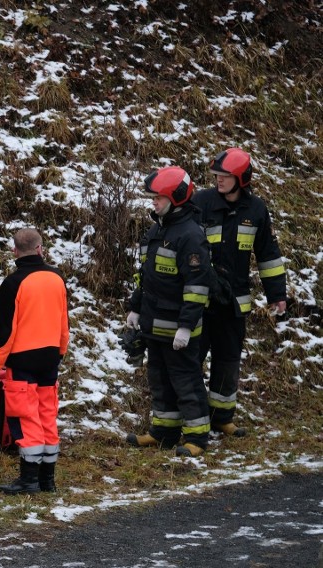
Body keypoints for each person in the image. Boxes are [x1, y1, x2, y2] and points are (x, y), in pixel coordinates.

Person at [192, 148, 287, 437]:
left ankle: (222, 417)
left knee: (228, 359)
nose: (219, 180)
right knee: (193, 359)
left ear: (242, 179)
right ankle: (193, 419)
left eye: (225, 176)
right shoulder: (201, 203)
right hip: (202, 300)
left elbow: (268, 255)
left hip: (234, 304)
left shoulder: (256, 210)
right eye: (217, 176)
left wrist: (277, 296)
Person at [126, 166, 211, 457]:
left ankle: (197, 437)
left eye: (159, 197)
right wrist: (135, 307)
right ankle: (164, 432)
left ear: (176, 198)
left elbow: (197, 286)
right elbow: (145, 275)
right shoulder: (157, 229)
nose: (153, 202)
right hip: (154, 324)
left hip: (178, 329)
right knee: (159, 378)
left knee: (186, 381)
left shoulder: (190, 236)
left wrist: (186, 326)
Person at [0, 228, 68, 494]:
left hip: (22, 359)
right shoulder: (57, 277)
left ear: (14, 251)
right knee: (47, 414)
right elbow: (63, 321)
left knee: (25, 416)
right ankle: (48, 480)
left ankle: (29, 479)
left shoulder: (13, 283)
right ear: (40, 248)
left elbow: (4, 331)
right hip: (50, 356)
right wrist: (61, 351)